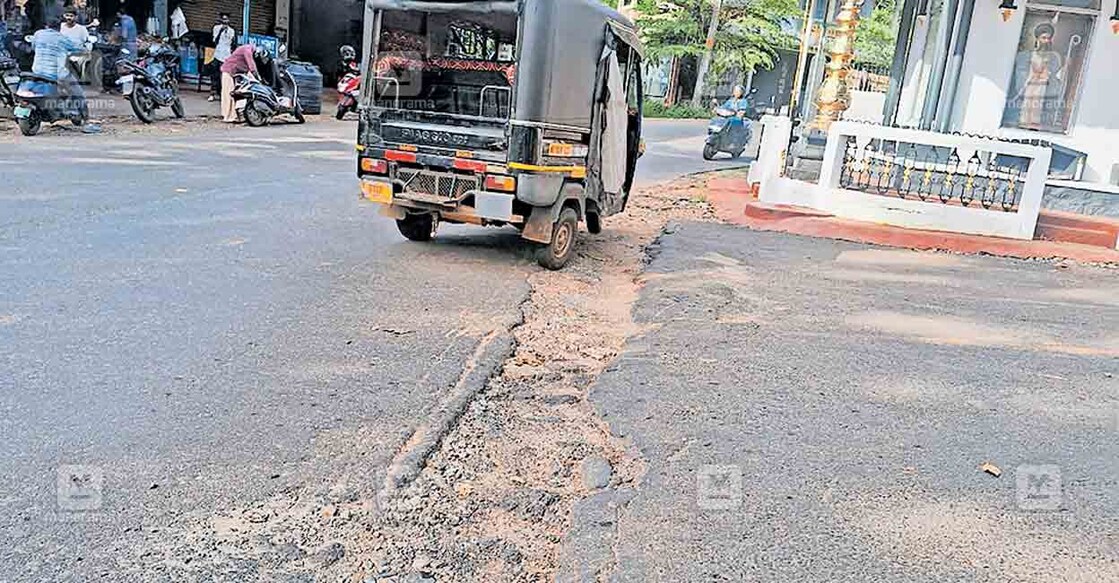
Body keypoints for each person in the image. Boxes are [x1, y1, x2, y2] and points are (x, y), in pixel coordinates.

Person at [219, 43, 259, 122]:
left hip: (232, 72)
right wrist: (255, 74)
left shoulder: (245, 48)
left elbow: (246, 68)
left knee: (232, 94)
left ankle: (232, 115)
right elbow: (251, 64)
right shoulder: (247, 50)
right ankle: (228, 116)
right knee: (229, 94)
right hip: (228, 71)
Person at [208, 12, 235, 101]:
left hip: (226, 56)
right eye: (223, 19)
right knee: (214, 75)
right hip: (218, 54)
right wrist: (221, 31)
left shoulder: (232, 31)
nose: (225, 21)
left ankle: (222, 94)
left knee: (223, 76)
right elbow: (215, 41)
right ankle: (212, 93)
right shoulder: (216, 28)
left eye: (226, 19)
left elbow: (233, 44)